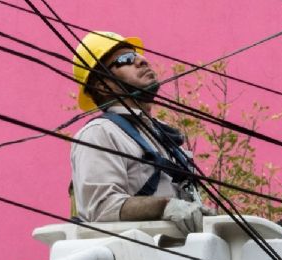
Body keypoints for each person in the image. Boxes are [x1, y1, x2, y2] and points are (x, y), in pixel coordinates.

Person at [70, 31, 213, 234]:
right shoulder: (100, 133)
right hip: (138, 259)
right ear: (102, 85)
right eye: (126, 59)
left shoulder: (159, 136)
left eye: (138, 55)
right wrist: (165, 207)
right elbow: (101, 207)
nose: (142, 60)